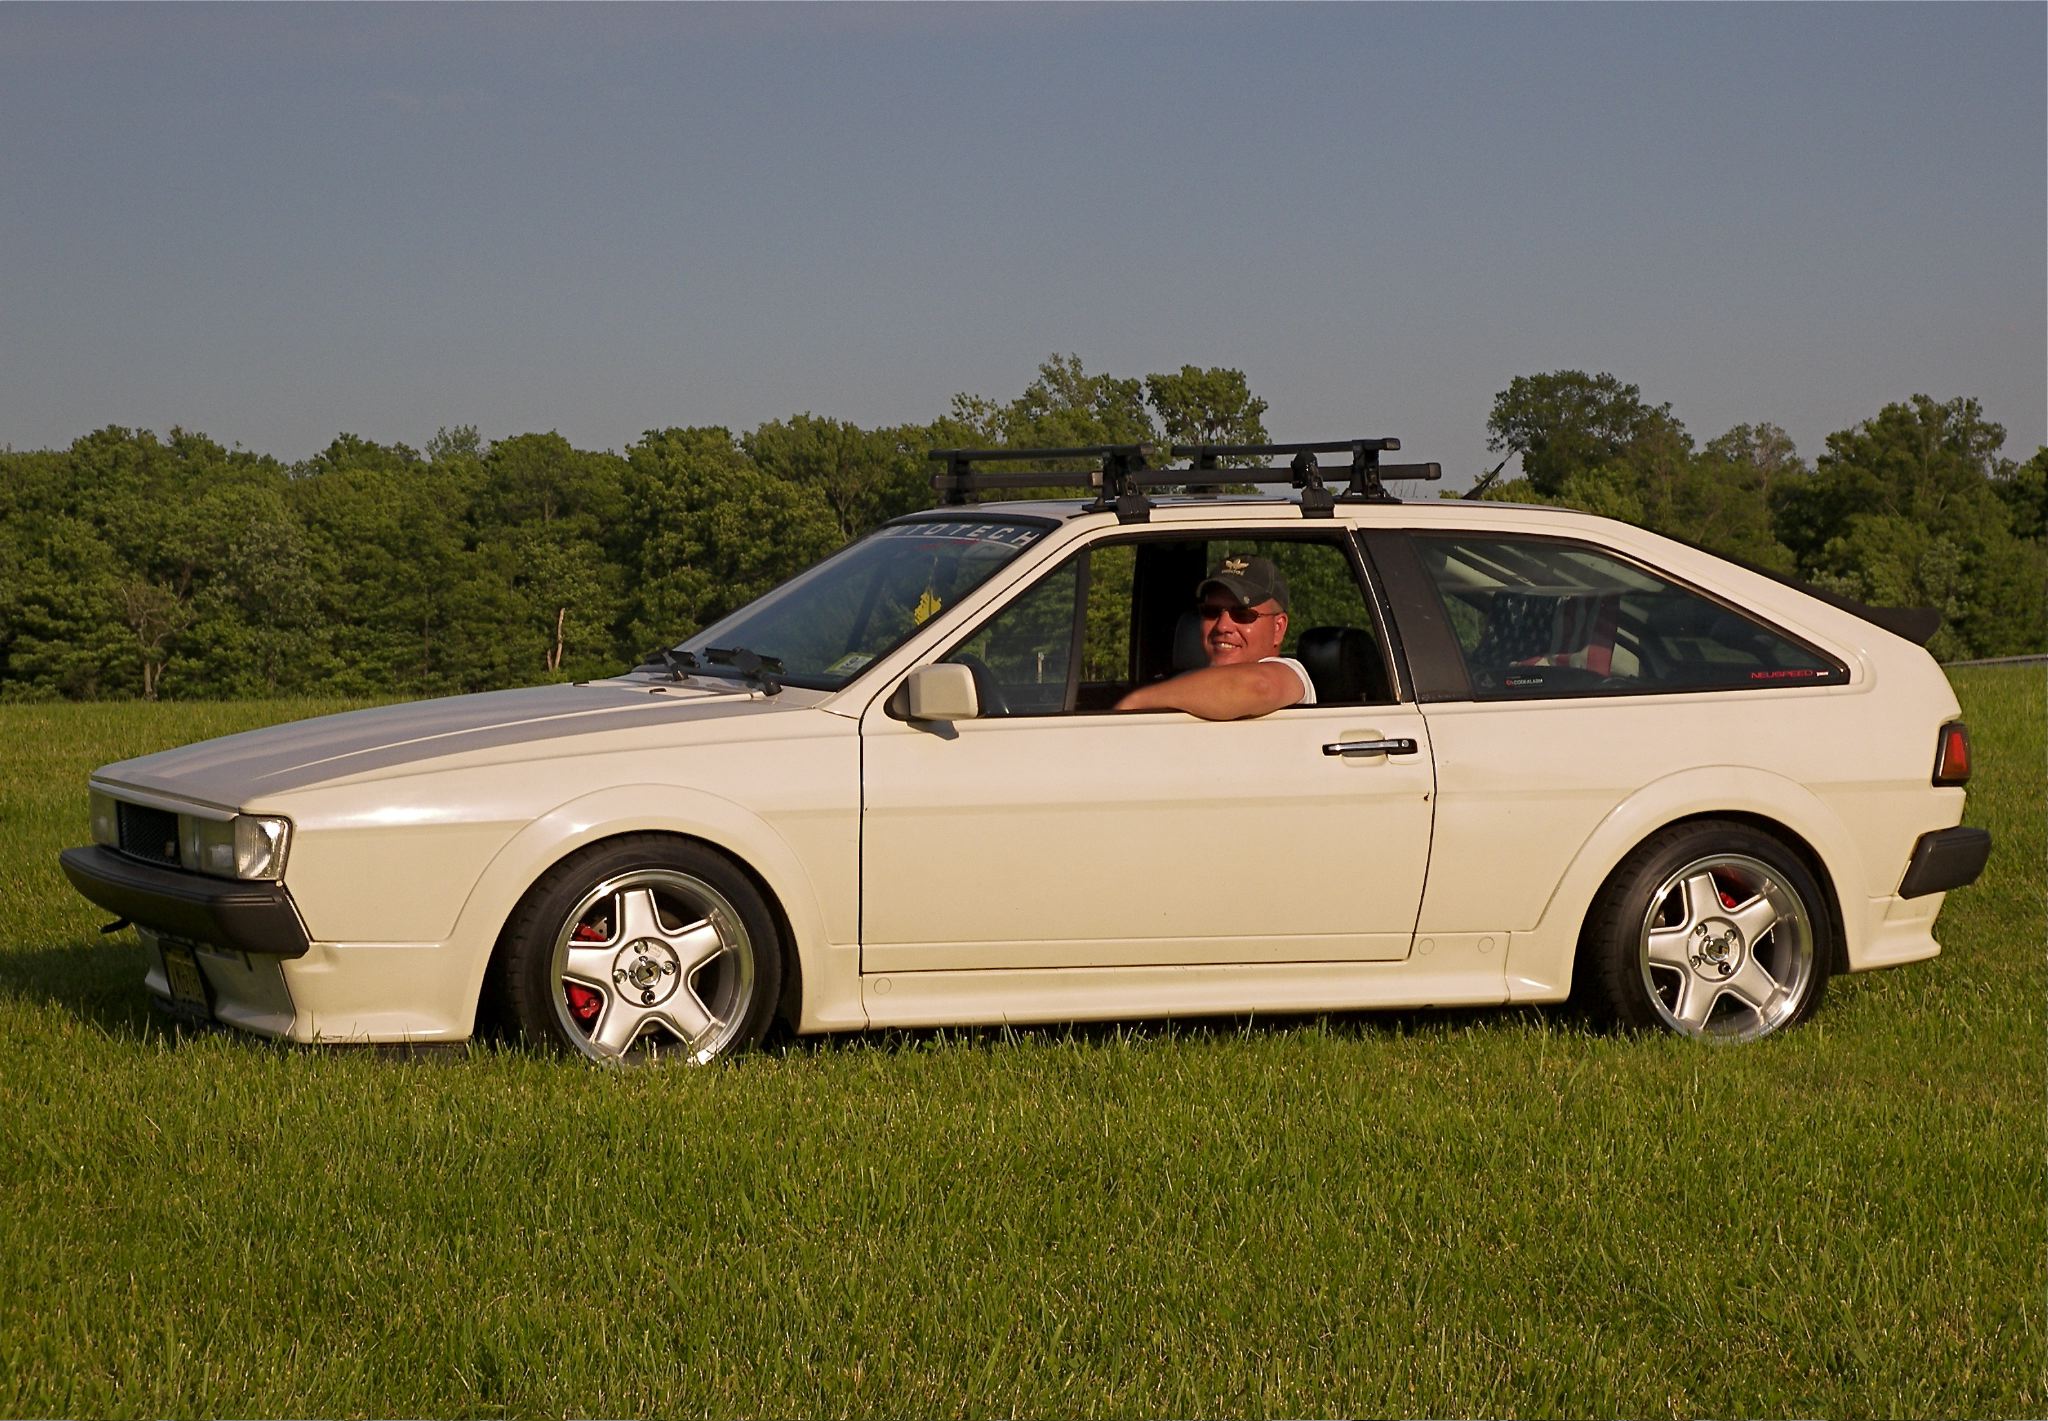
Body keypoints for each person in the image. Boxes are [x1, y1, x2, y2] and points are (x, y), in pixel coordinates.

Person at [1114, 555, 1317, 719]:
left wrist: (1135, 702)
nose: (1223, 626)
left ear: (1278, 628)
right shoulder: (1187, 688)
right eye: (1211, 612)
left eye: (1242, 614)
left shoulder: (1291, 673)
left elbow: (1258, 686)